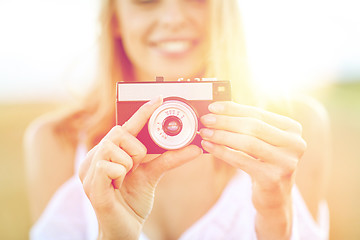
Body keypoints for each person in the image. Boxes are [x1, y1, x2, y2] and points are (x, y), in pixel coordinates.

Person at [24, 0, 331, 239]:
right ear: (115, 18)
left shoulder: (290, 132)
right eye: (146, 0)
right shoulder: (55, 142)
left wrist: (277, 219)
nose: (173, 19)